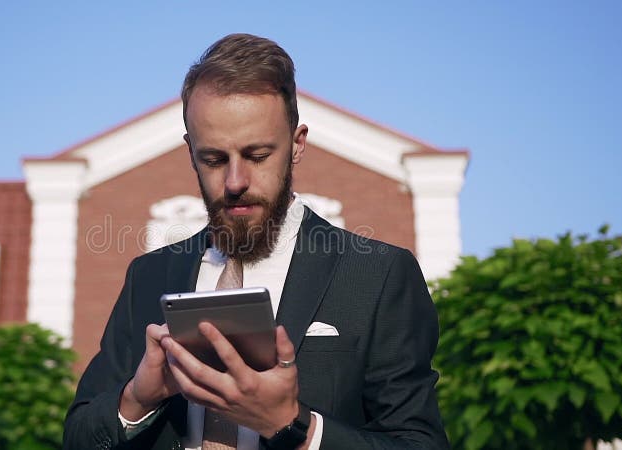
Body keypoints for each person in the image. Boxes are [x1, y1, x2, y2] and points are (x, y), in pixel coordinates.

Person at [64, 33, 449, 450]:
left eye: (258, 156)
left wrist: (293, 426)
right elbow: (79, 436)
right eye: (213, 159)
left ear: (297, 144)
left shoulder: (378, 275)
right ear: (190, 150)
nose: (235, 182)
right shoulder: (149, 274)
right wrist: (138, 398)